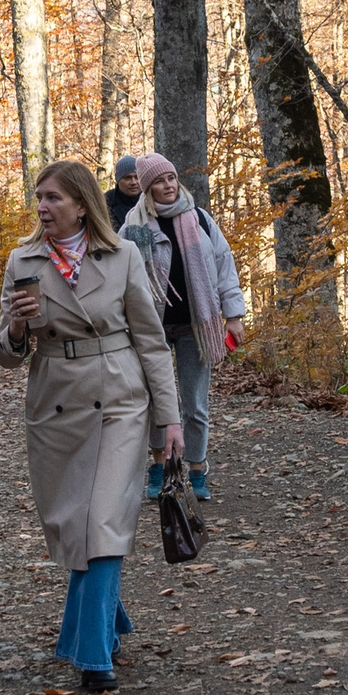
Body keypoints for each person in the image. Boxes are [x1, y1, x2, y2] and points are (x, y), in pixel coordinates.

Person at [0, 160, 181, 694]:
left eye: (53, 197)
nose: (43, 207)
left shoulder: (122, 257)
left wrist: (169, 418)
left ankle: (93, 654)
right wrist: (17, 326)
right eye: (39, 198)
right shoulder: (22, 259)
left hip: (119, 395)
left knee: (103, 518)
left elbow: (151, 341)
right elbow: (5, 356)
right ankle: (107, 619)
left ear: (81, 204)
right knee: (76, 523)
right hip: (56, 400)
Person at [117, 153, 245, 502]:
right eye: (159, 181)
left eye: (171, 178)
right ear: (146, 188)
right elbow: (118, 279)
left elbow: (224, 266)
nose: (168, 185)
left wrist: (233, 314)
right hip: (150, 329)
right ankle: (159, 466)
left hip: (196, 325)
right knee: (158, 402)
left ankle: (197, 468)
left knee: (195, 403)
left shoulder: (200, 219)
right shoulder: (132, 228)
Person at [102, 156, 144, 231]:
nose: (134, 182)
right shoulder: (105, 202)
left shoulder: (150, 199)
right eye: (128, 178)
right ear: (118, 180)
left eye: (137, 177)